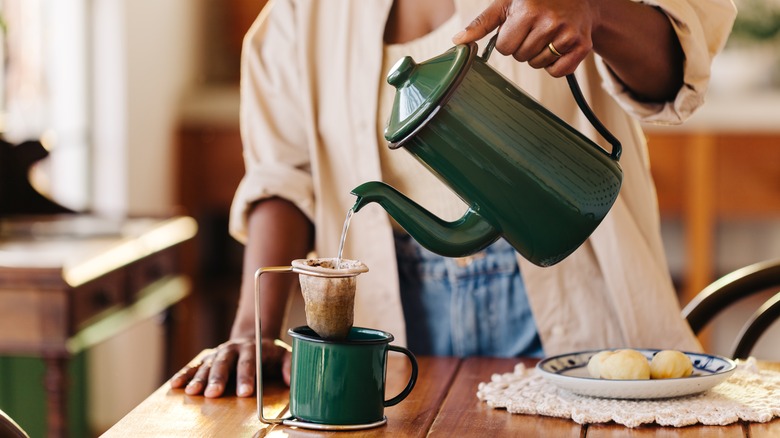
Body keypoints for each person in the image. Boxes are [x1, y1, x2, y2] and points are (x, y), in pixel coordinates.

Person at [170, 0, 736, 398]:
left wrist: (593, 9)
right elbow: (283, 179)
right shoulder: (299, 15)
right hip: (394, 310)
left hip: (565, 292)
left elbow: (678, 70)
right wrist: (253, 328)